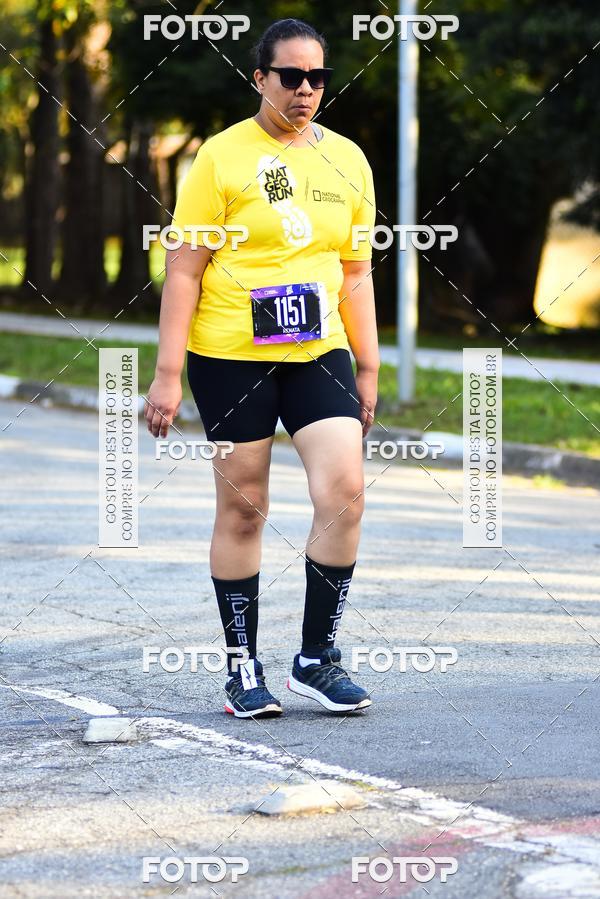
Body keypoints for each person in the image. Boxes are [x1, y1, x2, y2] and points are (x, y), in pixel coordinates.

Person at [144, 18, 379, 718]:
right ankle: (243, 667)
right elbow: (184, 268)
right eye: (291, 77)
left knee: (345, 490)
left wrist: (366, 365)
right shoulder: (221, 158)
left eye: (318, 78)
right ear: (260, 78)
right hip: (230, 354)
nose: (306, 90)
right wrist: (166, 372)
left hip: (317, 350)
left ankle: (316, 657)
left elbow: (356, 271)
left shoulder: (349, 161)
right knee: (244, 506)